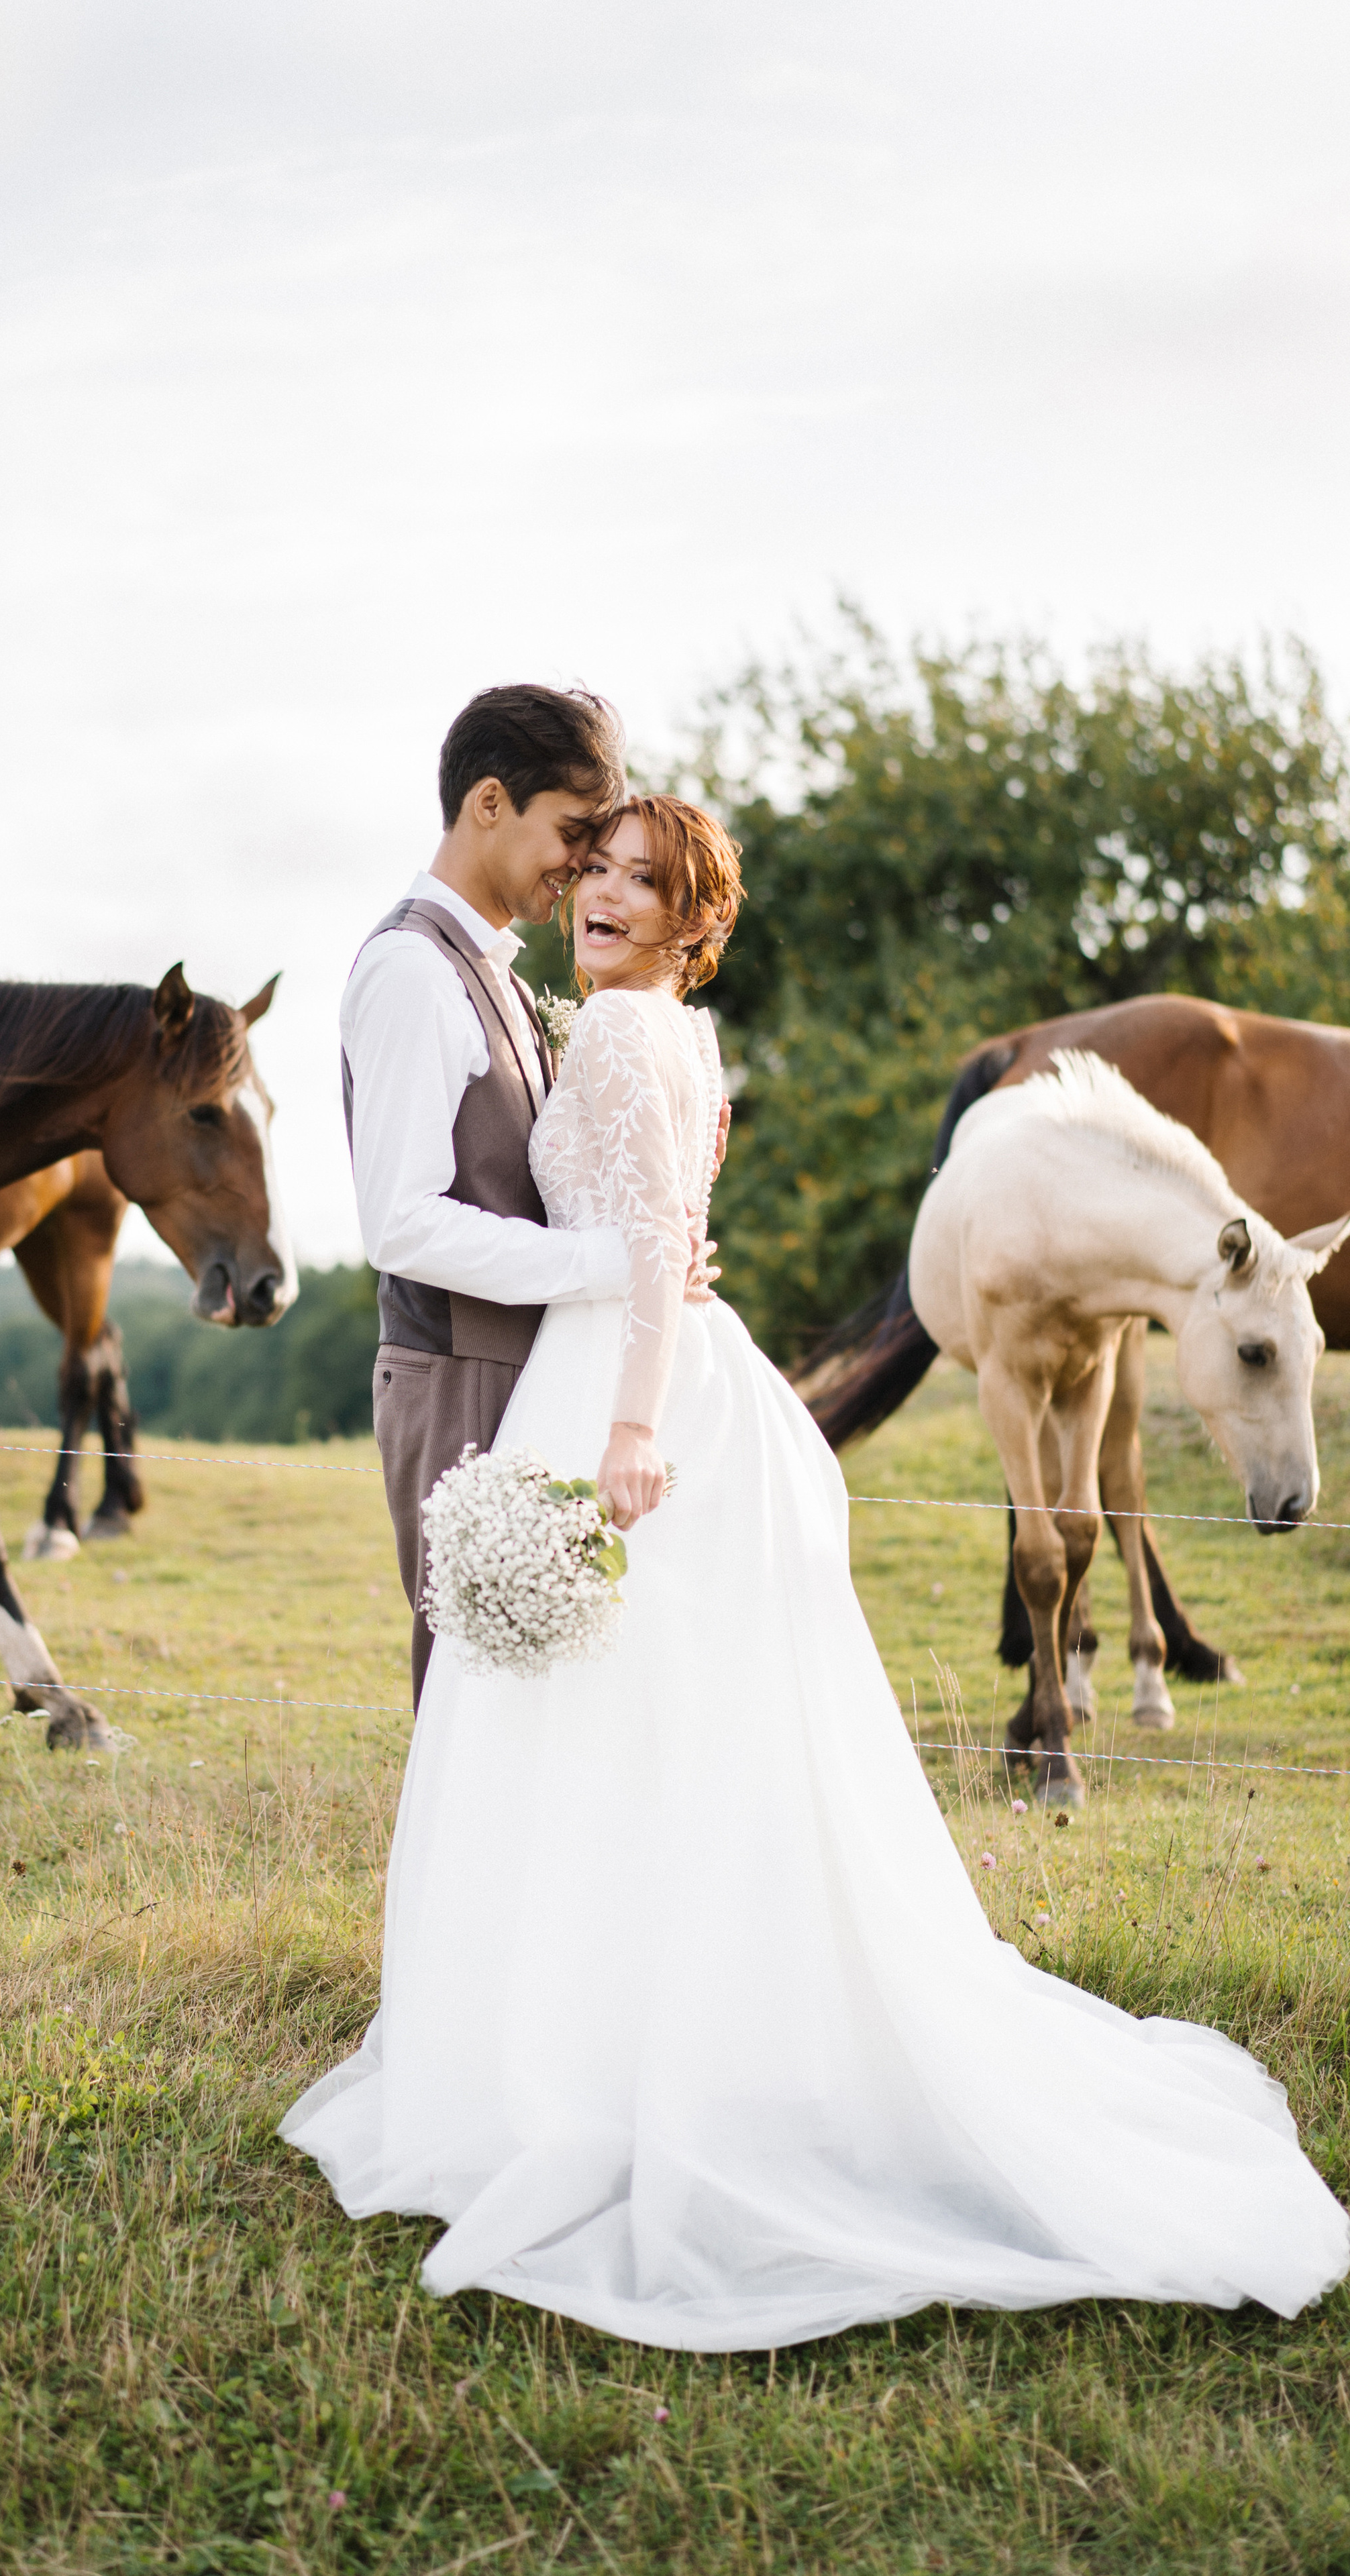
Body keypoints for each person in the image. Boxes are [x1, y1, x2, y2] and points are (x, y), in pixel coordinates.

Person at [284, 792, 1350, 2353]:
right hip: (627, 1375)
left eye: (641, 884)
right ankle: (610, 2025)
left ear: (688, 922)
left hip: (639, 1397)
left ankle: (627, 2052)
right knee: (639, 1732)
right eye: (595, 871)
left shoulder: (634, 1038)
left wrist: (632, 1430)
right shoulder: (635, 1026)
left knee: (629, 1722)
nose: (602, 897)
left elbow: (653, 1248)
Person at [341, 681, 715, 1707]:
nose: (580, 868)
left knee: (548, 1678)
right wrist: (620, 1262)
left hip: (532, 1361)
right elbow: (400, 1221)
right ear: (491, 804)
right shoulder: (416, 974)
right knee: (474, 1683)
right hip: (457, 1366)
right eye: (573, 836)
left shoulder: (499, 973)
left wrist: (653, 1250)